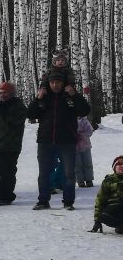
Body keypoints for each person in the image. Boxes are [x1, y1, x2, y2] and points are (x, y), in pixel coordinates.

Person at [26, 69, 91, 210]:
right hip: (45, 140)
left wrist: (75, 95)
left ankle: (68, 202)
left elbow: (85, 111)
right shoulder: (44, 97)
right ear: (48, 83)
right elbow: (30, 114)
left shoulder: (70, 97)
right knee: (44, 172)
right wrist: (38, 98)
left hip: (67, 140)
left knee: (68, 173)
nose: (55, 85)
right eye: (52, 82)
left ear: (63, 83)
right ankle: (43, 200)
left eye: (58, 82)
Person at [90, 156, 123, 234]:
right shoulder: (108, 181)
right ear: (114, 167)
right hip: (114, 208)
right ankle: (120, 226)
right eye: (119, 164)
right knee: (104, 216)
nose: (122, 166)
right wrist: (97, 220)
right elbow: (100, 200)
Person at [75, 116, 94, 187]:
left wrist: (81, 135)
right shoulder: (70, 120)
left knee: (87, 163)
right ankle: (80, 180)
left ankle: (89, 179)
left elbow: (90, 131)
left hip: (86, 146)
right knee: (77, 164)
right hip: (75, 147)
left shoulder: (84, 121)